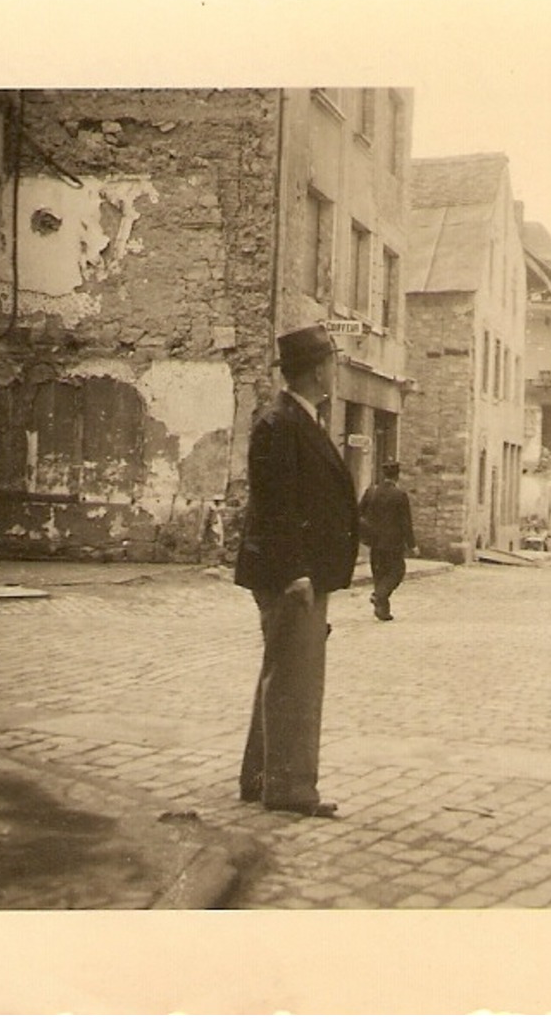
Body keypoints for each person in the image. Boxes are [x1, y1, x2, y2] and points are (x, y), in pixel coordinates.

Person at [233, 324, 359, 819]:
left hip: (303, 573)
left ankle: (260, 777)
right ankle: (289, 788)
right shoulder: (279, 424)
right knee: (296, 682)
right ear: (315, 370)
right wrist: (294, 573)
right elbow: (275, 508)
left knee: (281, 673)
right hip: (292, 576)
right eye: (330, 362)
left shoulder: (298, 419)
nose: (334, 370)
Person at [359, 460, 416, 621]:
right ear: (397, 476)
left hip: (374, 542)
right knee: (397, 571)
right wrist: (412, 545)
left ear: (383, 474)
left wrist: (365, 534)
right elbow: (406, 522)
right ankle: (379, 595)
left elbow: (358, 513)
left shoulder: (371, 492)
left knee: (379, 573)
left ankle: (383, 611)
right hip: (393, 543)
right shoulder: (400, 495)